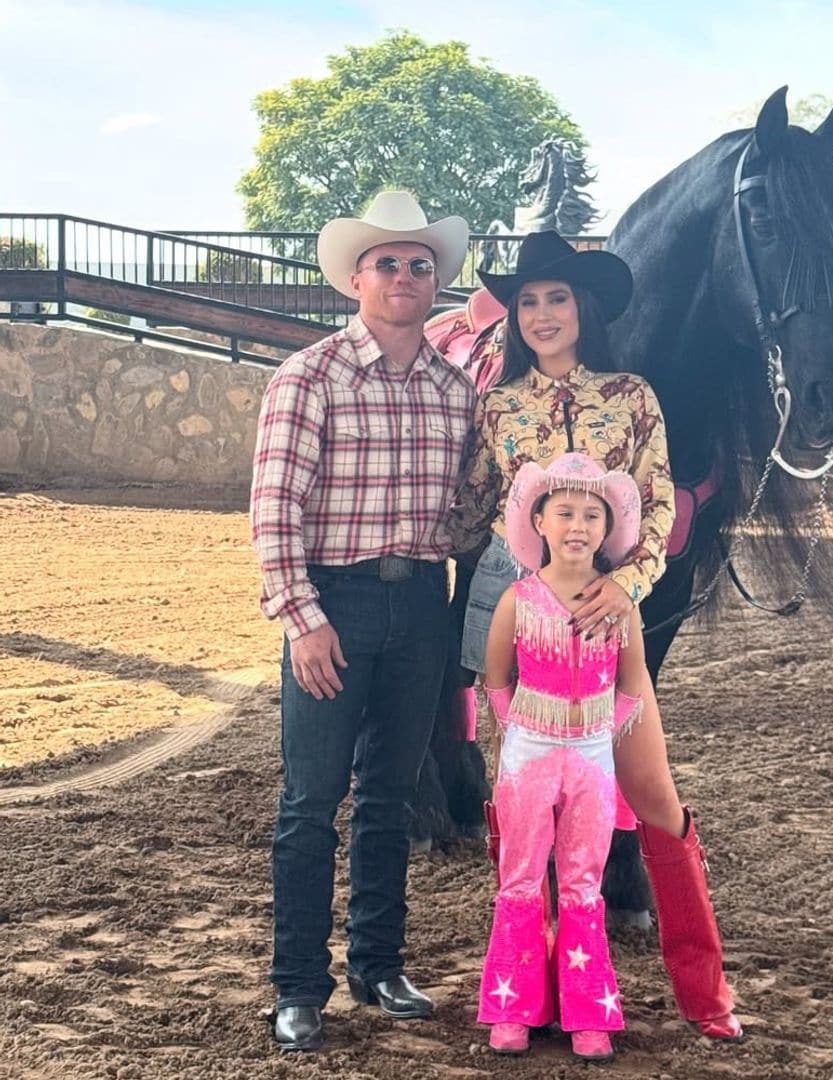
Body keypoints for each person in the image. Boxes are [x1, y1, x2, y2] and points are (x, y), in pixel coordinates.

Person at [452, 230, 744, 1042]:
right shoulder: (499, 406)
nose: (543, 314)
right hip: (526, 625)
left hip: (612, 631)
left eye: (558, 297)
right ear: (515, 314)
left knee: (654, 798)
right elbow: (472, 510)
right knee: (528, 816)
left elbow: (655, 507)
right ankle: (538, 995)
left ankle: (705, 992)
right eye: (530, 301)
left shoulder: (633, 397)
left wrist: (627, 585)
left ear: (584, 307)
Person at [251, 191, 476, 1052]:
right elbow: (275, 512)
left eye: (420, 265)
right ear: (357, 277)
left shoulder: (457, 392)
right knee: (311, 800)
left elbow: (474, 507)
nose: (405, 276)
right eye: (388, 263)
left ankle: (378, 965)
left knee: (390, 797)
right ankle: (298, 983)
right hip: (334, 604)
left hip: (421, 601)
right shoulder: (307, 376)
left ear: (433, 282)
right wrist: (302, 620)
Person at [478, 452, 646, 1063]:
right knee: (521, 876)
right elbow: (495, 679)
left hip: (593, 759)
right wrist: (524, 734)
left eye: (591, 515)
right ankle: (512, 1007)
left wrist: (599, 733)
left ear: (606, 530)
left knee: (582, 881)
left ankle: (587, 1011)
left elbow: (633, 684)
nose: (578, 526)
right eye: (565, 512)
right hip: (530, 755)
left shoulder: (620, 607)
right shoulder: (517, 601)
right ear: (541, 522)